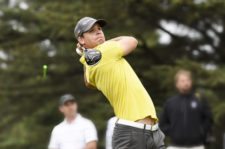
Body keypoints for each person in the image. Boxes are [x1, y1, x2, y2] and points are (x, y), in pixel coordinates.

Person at [74, 16, 165, 149]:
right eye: (92, 31)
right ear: (81, 39)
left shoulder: (90, 64)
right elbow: (132, 41)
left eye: (99, 29)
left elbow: (88, 82)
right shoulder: (105, 51)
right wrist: (102, 45)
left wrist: (85, 52)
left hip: (151, 133)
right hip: (132, 132)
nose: (99, 32)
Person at [159, 70, 213, 149]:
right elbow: (162, 123)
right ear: (177, 84)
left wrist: (201, 132)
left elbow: (208, 119)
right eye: (183, 81)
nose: (186, 83)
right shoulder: (170, 103)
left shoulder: (199, 100)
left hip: (197, 146)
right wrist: (173, 132)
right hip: (175, 146)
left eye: (188, 80)